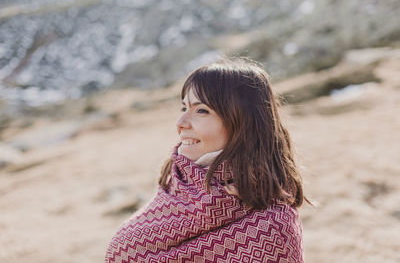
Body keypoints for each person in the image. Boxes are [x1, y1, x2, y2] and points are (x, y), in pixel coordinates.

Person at [105, 58, 307, 263]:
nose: (181, 123)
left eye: (201, 110)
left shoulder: (271, 228)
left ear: (241, 122)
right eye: (184, 108)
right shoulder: (177, 186)